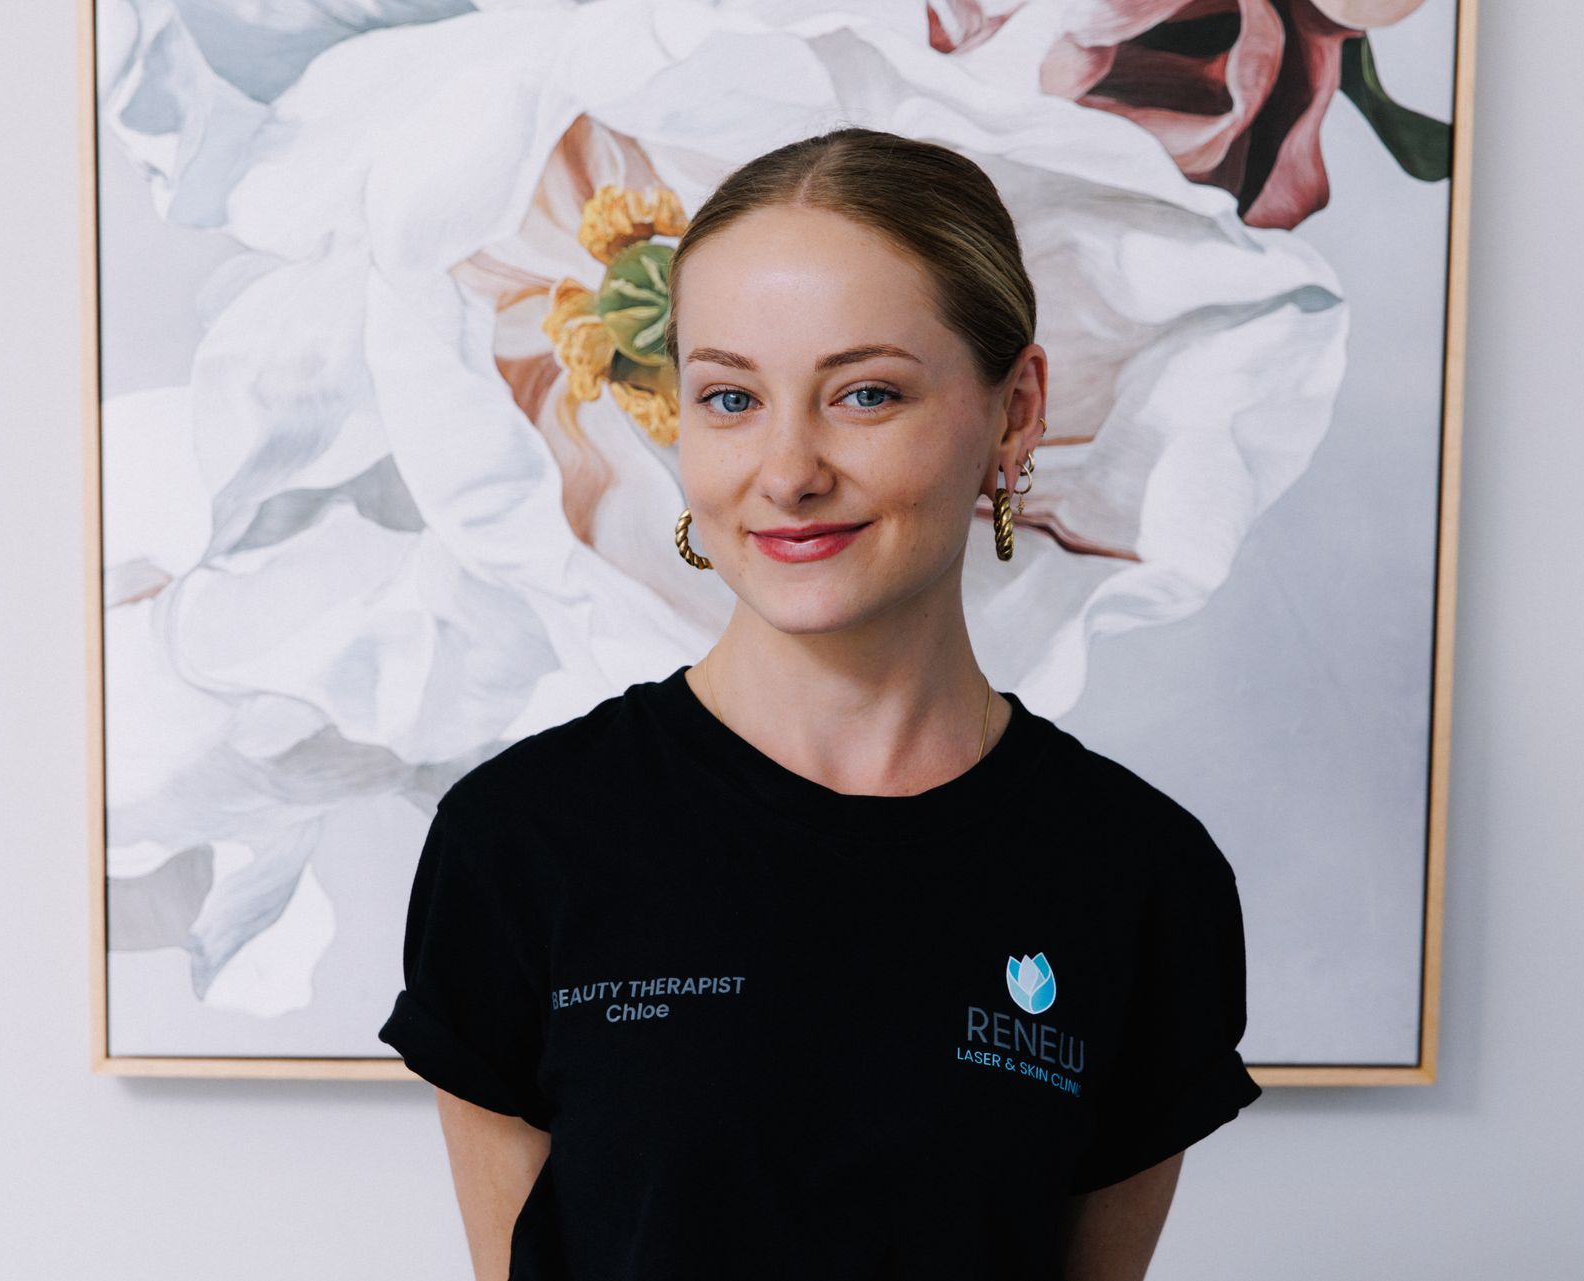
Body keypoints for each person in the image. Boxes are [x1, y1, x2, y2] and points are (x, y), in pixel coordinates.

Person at [378, 125, 1261, 1281]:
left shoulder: (1141, 877)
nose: (788, 471)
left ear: (1014, 411)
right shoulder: (521, 841)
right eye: (731, 398)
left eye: (866, 394)